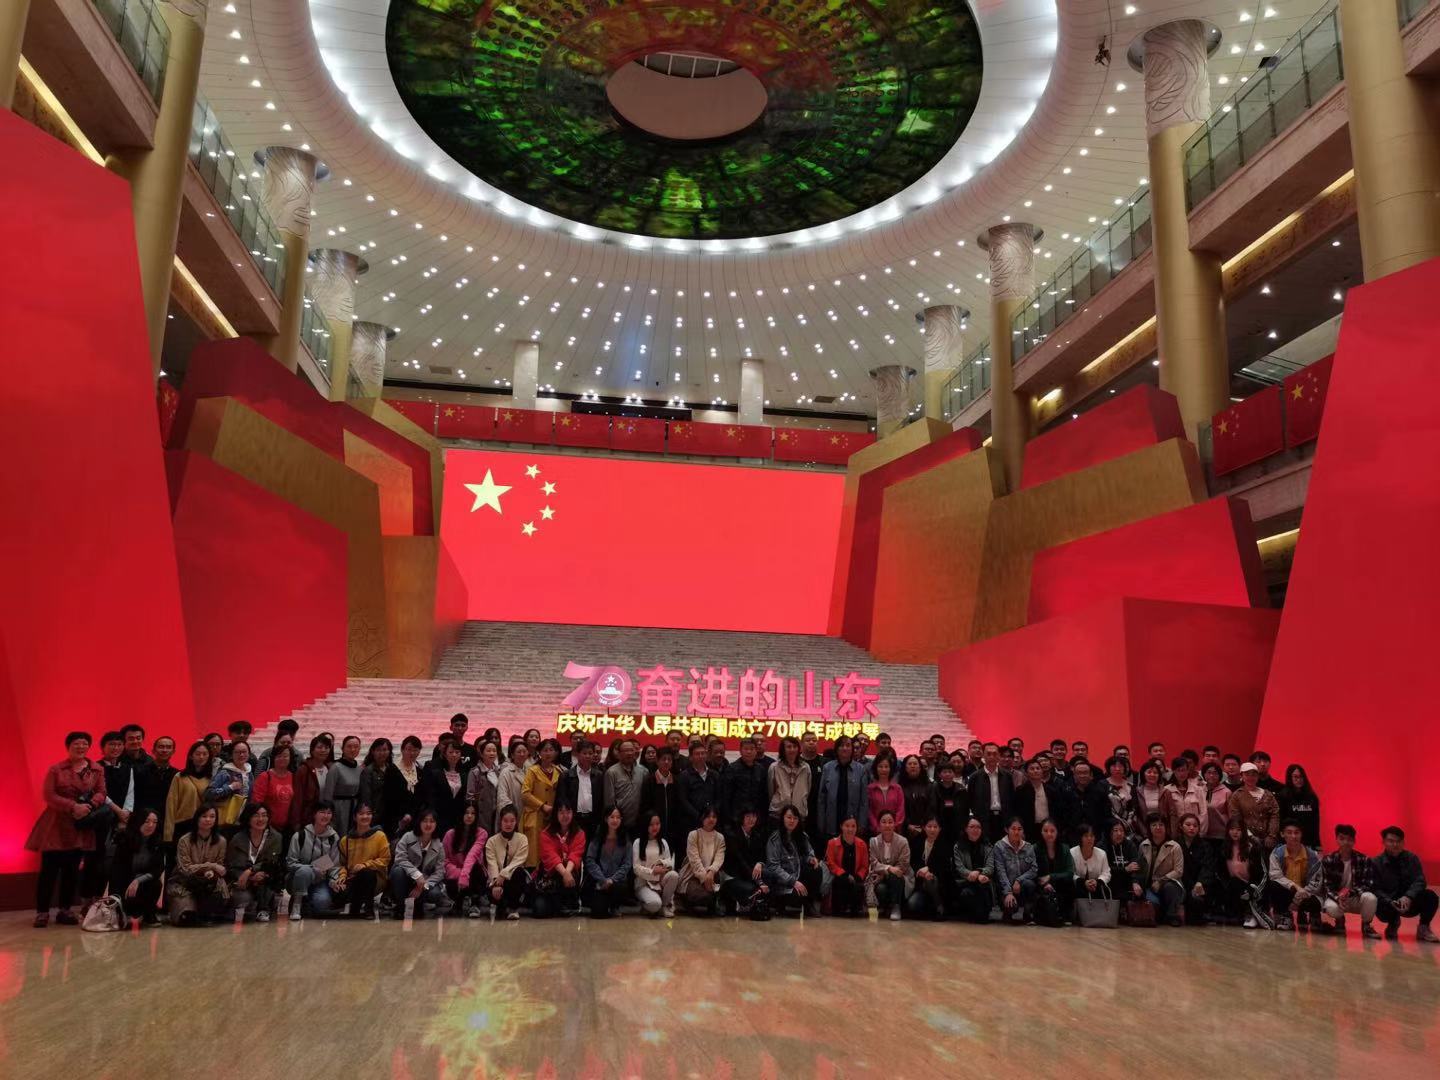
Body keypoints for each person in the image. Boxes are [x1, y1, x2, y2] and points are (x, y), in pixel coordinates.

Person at [27, 731, 107, 928]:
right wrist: (73, 807)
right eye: (76, 744)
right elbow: (49, 795)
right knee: (49, 871)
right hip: (56, 825)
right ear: (68, 747)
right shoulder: (56, 769)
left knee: (72, 871)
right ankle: (42, 912)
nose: (80, 747)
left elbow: (101, 792)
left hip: (81, 826)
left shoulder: (96, 769)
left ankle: (65, 910)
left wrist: (90, 805)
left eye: (84, 743)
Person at [1372, 825, 1440, 942]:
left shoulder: (1412, 858)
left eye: (1398, 841)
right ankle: (1393, 923)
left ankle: (1423, 927)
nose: (1395, 844)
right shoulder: (1376, 862)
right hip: (1389, 903)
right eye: (1391, 841)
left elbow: (1420, 880)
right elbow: (1375, 888)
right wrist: (1390, 901)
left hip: (1409, 902)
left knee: (1431, 896)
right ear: (1383, 842)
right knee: (1375, 899)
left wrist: (1408, 897)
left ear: (1403, 842)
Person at [166, 806, 229, 925]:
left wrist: (212, 871)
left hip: (209, 884)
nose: (208, 820)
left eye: (212, 816)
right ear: (197, 818)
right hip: (184, 883)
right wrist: (211, 866)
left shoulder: (222, 841)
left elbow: (221, 868)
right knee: (185, 918)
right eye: (204, 816)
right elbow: (185, 868)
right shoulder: (184, 840)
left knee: (212, 917)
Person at [1319, 823, 1379, 938]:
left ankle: (1366, 926)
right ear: (1336, 839)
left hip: (1355, 897)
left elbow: (1368, 884)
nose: (1346, 842)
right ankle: (1339, 922)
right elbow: (1327, 886)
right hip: (1337, 898)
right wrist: (1338, 898)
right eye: (1342, 839)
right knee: (1331, 907)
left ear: (1354, 841)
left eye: (1349, 839)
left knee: (1371, 898)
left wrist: (1350, 893)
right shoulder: (1328, 860)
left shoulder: (1363, 859)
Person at [389, 808, 450, 919]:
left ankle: (419, 904)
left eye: (432, 821)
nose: (428, 824)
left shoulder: (439, 845)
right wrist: (417, 875)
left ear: (436, 824)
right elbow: (400, 859)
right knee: (397, 871)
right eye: (425, 821)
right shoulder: (408, 837)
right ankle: (400, 906)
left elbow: (440, 872)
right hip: (405, 878)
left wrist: (423, 885)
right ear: (419, 822)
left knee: (435, 893)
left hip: (425, 882)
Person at [284, 801, 342, 920]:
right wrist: (312, 868)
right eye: (322, 812)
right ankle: (297, 903)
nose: (325, 816)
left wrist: (333, 880)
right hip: (298, 879)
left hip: (320, 881)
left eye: (329, 813)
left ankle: (307, 901)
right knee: (305, 871)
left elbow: (335, 863)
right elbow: (290, 863)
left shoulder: (333, 837)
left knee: (322, 903)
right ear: (314, 814)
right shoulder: (300, 835)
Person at [227, 803, 283, 922]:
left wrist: (251, 870)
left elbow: (271, 862)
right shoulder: (238, 838)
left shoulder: (276, 837)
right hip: (242, 880)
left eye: (264, 815)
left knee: (269, 874)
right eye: (256, 815)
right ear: (248, 818)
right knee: (243, 899)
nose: (261, 819)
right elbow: (232, 866)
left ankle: (264, 908)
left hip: (264, 878)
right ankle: (248, 904)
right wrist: (250, 877)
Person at [1264, 819, 1323, 931]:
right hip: (1288, 890)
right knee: (1273, 885)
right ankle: (1285, 916)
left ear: (1301, 834)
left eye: (1297, 832)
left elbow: (1316, 882)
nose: (1293, 836)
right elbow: (1275, 876)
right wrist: (1295, 887)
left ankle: (1309, 914)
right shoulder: (1276, 854)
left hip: (1306, 893)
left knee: (1314, 900)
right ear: (1282, 834)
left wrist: (1300, 897)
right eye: (1289, 832)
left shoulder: (1313, 856)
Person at [110, 808, 164, 927]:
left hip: (142, 881)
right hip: (124, 882)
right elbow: (117, 871)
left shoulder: (157, 842)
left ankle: (149, 914)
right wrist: (131, 880)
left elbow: (158, 869)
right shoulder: (124, 839)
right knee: (120, 884)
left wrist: (138, 880)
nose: (151, 825)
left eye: (155, 822)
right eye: (147, 821)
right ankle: (122, 912)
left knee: (156, 883)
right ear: (138, 821)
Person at [765, 804, 822, 916]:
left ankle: (809, 904)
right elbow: (773, 867)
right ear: (783, 818)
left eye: (795, 818)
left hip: (798, 875)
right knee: (798, 897)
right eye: (789, 817)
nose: (792, 821)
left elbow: (808, 854)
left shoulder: (802, 835)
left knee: (817, 869)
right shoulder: (775, 839)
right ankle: (781, 903)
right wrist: (793, 882)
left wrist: (811, 859)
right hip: (783, 883)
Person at [533, 803, 585, 918]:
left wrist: (567, 872)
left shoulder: (579, 833)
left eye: (568, 812)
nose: (565, 815)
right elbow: (551, 857)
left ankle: (566, 903)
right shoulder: (546, 833)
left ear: (573, 814)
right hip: (550, 878)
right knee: (540, 910)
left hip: (569, 876)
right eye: (561, 812)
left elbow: (575, 855)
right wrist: (564, 873)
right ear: (555, 814)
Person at [817, 736, 868, 844]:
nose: (845, 748)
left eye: (848, 745)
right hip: (832, 819)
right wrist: (821, 822)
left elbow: (864, 801)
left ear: (852, 749)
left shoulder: (860, 769)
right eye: (841, 745)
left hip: (852, 820)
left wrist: (862, 824)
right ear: (836, 749)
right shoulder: (827, 768)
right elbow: (822, 799)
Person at [583, 806, 631, 918]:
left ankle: (614, 906)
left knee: (620, 888)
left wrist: (612, 880)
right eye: (612, 817)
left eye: (618, 817)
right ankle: (604, 904)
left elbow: (627, 863)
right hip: (600, 881)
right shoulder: (598, 837)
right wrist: (602, 879)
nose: (615, 820)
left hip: (617, 882)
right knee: (598, 913)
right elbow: (590, 860)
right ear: (606, 819)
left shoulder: (625, 838)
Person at [1137, 812, 1185, 926]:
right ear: (1149, 828)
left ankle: (1172, 916)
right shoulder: (1143, 845)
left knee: (1170, 888)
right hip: (1150, 886)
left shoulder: (1175, 846)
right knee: (1153, 907)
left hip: (1169, 884)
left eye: (1161, 825)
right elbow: (1139, 868)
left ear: (1166, 827)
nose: (1158, 828)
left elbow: (1178, 871)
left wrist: (1161, 881)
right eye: (1154, 825)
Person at [721, 805, 770, 915]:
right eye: (748, 816)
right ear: (742, 818)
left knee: (769, 876)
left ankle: (755, 904)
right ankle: (737, 903)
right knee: (754, 888)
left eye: (754, 816)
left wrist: (759, 863)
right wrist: (759, 882)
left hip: (748, 874)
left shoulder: (756, 835)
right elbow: (741, 861)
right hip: (734, 876)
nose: (751, 819)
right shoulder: (732, 835)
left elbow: (761, 855)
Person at [484, 806, 530, 920]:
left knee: (519, 872)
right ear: (500, 821)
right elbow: (492, 864)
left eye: (512, 821)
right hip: (496, 882)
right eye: (505, 821)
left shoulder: (522, 839)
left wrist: (503, 874)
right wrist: (496, 883)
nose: (508, 824)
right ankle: (500, 904)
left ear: (516, 822)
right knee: (499, 907)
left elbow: (518, 860)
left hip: (513, 880)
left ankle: (513, 908)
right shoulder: (491, 841)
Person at [678, 806, 726, 915]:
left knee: (722, 883)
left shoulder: (720, 837)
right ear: (702, 818)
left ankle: (712, 903)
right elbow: (694, 861)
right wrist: (705, 878)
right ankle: (686, 901)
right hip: (693, 876)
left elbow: (719, 858)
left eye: (714, 816)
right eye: (708, 816)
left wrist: (711, 872)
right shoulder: (693, 835)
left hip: (712, 875)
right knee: (703, 896)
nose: (711, 819)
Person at [632, 811, 680, 917]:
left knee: (674, 875)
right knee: (655, 904)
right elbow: (636, 868)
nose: (655, 827)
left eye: (657, 824)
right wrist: (652, 871)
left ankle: (664, 906)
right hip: (643, 883)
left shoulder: (663, 842)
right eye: (651, 824)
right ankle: (648, 906)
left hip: (660, 881)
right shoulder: (638, 843)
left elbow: (669, 862)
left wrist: (661, 864)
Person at [164, 742, 212, 846]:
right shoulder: (180, 777)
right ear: (191, 756)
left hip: (204, 826)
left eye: (205, 754)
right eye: (198, 754)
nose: (201, 757)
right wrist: (168, 834)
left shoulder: (212, 778)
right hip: (182, 825)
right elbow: (171, 805)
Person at [991, 817, 1038, 924]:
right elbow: (1000, 872)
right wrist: (1008, 892)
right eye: (1013, 829)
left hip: (1022, 887)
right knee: (1010, 906)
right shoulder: (999, 846)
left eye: (1019, 829)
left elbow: (1034, 869)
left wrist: (1018, 880)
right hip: (1005, 888)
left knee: (1030, 884)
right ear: (1007, 830)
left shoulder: (1028, 847)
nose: (1016, 832)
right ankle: (1007, 913)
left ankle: (1027, 913)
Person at [948, 817, 994, 923]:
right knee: (966, 893)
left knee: (982, 915)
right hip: (965, 882)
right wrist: (975, 875)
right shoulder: (958, 847)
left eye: (978, 827)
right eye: (972, 827)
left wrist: (979, 872)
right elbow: (960, 869)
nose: (975, 830)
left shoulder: (988, 846)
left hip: (983, 882)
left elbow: (990, 867)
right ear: (966, 829)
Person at [822, 815, 869, 917]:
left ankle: (856, 907)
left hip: (855, 879)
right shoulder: (832, 843)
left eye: (853, 826)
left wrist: (858, 876)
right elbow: (830, 863)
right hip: (839, 879)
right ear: (841, 826)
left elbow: (864, 866)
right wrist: (844, 874)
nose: (850, 829)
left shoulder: (862, 844)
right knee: (841, 882)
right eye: (847, 826)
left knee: (858, 887)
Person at [423, 739, 470, 839]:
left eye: (457, 752)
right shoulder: (436, 774)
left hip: (458, 819)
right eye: (451, 752)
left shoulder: (464, 775)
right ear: (445, 754)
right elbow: (431, 798)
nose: (454, 755)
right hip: (440, 819)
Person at [1176, 812, 1217, 926]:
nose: (1191, 828)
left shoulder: (1205, 846)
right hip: (1181, 882)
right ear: (1181, 826)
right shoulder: (1175, 844)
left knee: (1197, 900)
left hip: (1199, 883)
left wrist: (1200, 882)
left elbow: (1208, 867)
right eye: (1188, 825)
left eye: (1195, 826)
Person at [967, 743, 1014, 842]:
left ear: (999, 756)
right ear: (983, 756)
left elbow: (1012, 798)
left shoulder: (1007, 776)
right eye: (988, 754)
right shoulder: (974, 777)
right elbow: (970, 800)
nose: (992, 757)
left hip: (1003, 819)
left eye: (994, 754)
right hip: (983, 819)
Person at [1033, 818, 1075, 926]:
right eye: (1045, 831)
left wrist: (1051, 877)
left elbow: (1070, 873)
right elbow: (1033, 872)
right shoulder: (1035, 848)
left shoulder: (1065, 848)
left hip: (1059, 883)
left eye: (1052, 831)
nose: (1049, 834)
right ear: (1041, 832)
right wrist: (1045, 883)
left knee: (1070, 883)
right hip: (1041, 884)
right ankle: (1036, 915)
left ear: (1057, 832)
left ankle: (1065, 915)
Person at [250, 744, 297, 840]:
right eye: (279, 756)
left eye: (285, 756)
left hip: (287, 827)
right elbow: (257, 802)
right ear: (273, 758)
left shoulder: (293, 777)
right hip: (267, 826)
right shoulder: (265, 776)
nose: (282, 759)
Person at [722, 738, 770, 832]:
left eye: (752, 749)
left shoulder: (760, 769)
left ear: (756, 751)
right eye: (746, 749)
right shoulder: (732, 769)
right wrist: (728, 820)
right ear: (740, 751)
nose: (749, 752)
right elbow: (726, 797)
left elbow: (764, 795)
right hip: (736, 817)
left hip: (756, 818)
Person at [1229, 762, 1281, 849]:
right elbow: (1236, 818)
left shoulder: (1267, 794)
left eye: (1254, 774)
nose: (1251, 777)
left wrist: (1272, 835)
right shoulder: (1236, 795)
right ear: (1242, 776)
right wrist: (1250, 836)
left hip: (1268, 840)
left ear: (1257, 776)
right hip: (1245, 840)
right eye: (1247, 774)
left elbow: (1275, 814)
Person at [560, 738, 603, 842]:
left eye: (590, 753)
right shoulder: (566, 775)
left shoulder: (599, 776)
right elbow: (562, 799)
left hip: (593, 821)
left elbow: (601, 800)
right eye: (584, 753)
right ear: (577, 754)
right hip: (573, 820)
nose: (588, 756)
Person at [384, 735, 425, 839]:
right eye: (409, 749)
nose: (412, 753)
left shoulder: (420, 771)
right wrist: (402, 815)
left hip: (415, 818)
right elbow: (389, 797)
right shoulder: (392, 769)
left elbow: (420, 796)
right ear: (402, 750)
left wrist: (412, 814)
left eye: (415, 750)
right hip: (395, 819)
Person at [907, 816, 948, 920]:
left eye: (935, 827)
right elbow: (912, 862)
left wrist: (929, 870)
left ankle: (939, 906)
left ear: (940, 829)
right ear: (924, 828)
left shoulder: (944, 844)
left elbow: (944, 867)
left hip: (938, 885)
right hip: (920, 884)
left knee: (930, 880)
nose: (932, 830)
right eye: (929, 826)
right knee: (912, 904)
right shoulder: (916, 841)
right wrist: (922, 871)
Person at [322, 735, 364, 837]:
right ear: (342, 748)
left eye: (356, 747)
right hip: (339, 809)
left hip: (354, 808)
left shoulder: (359, 769)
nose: (352, 749)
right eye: (349, 746)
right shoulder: (336, 768)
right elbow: (328, 794)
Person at [207, 739, 252, 831]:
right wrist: (230, 787)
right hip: (225, 820)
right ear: (231, 755)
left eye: (244, 752)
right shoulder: (225, 772)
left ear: (249, 754)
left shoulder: (249, 773)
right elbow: (209, 794)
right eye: (237, 752)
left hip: (243, 819)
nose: (241, 755)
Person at [768, 736, 811, 832]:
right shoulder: (774, 767)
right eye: (788, 747)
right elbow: (771, 791)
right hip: (778, 814)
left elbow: (808, 789)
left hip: (798, 814)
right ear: (783, 750)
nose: (792, 749)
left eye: (794, 747)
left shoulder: (806, 767)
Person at [1159, 757, 1206, 843]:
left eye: (1184, 770)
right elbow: (1164, 815)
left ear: (1188, 770)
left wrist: (1200, 832)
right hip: (1175, 834)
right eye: (1178, 770)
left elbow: (1203, 813)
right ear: (1173, 771)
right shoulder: (1167, 790)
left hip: (1195, 833)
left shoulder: (1198, 789)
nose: (1182, 773)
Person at [602, 739, 646, 830]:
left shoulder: (643, 771)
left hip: (639, 822)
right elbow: (609, 801)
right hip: (618, 823)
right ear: (619, 754)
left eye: (631, 750)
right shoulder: (611, 772)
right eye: (626, 751)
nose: (629, 753)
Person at [1013, 758, 1057, 845]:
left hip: (1048, 827)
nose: (1035, 771)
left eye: (1038, 768)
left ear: (1042, 771)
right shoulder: (1021, 791)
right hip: (1029, 828)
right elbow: (1017, 813)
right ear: (1026, 773)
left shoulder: (1051, 790)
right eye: (1032, 769)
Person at [1278, 765, 1322, 849]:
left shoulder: (1311, 797)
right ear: (1290, 778)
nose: (1299, 780)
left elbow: (1316, 823)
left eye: (1301, 777)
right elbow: (1281, 822)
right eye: (1295, 777)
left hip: (1308, 842)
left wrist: (1318, 845)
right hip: (1290, 842)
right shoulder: (1283, 796)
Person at [357, 738, 393, 837]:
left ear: (389, 751)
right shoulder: (368, 771)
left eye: (385, 750)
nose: (382, 753)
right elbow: (365, 796)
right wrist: (369, 815)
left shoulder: (391, 768)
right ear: (373, 751)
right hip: (374, 815)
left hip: (389, 813)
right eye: (378, 750)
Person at [1070, 824, 1111, 912]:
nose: (1089, 839)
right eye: (1086, 836)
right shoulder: (1072, 853)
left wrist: (1097, 882)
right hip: (1078, 887)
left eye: (1092, 836)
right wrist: (1083, 883)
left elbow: (1106, 873)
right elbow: (1070, 873)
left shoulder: (1102, 853)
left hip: (1097, 887)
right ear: (1080, 838)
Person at [467, 739, 504, 834]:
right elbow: (470, 796)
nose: (492, 753)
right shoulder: (475, 772)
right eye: (488, 751)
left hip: (496, 811)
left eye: (494, 751)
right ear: (481, 754)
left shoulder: (499, 771)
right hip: (481, 813)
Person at [1105, 819, 1143, 910]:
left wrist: (1135, 882)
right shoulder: (1103, 845)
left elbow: (1135, 866)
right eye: (1115, 830)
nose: (1119, 833)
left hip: (1127, 881)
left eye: (1121, 830)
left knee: (1138, 887)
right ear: (1109, 832)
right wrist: (1125, 869)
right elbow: (1105, 869)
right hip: (1110, 881)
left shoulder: (1130, 845)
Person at [1068, 760, 1109, 844]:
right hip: (1072, 836)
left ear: (1091, 775)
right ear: (1074, 776)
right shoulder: (1067, 793)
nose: (1082, 775)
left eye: (1085, 773)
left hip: (1096, 836)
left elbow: (1106, 815)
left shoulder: (1100, 792)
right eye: (1079, 773)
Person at [898, 756, 935, 847]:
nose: (912, 766)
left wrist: (923, 826)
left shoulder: (929, 786)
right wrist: (907, 825)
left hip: (925, 829)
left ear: (920, 767)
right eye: (910, 764)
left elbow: (931, 807)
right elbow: (898, 809)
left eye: (915, 764)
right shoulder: (899, 786)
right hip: (904, 830)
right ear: (905, 767)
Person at [866, 757, 904, 838]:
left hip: (895, 832)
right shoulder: (870, 789)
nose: (883, 769)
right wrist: (877, 827)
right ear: (876, 769)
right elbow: (869, 811)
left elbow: (900, 809)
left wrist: (893, 826)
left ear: (890, 769)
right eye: (880, 766)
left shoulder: (897, 788)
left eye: (886, 767)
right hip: (875, 833)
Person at [1131, 759, 1166, 839]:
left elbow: (1171, 814)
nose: (1152, 775)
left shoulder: (1165, 791)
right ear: (1143, 774)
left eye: (1155, 772)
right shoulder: (1136, 791)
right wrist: (1145, 833)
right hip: (1143, 832)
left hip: (1163, 831)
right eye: (1149, 772)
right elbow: (1137, 815)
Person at [1200, 762, 1231, 843]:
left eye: (1215, 773)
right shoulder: (1199, 790)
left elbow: (1231, 815)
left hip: (1220, 835)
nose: (1211, 775)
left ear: (1220, 775)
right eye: (1209, 772)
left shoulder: (1226, 792)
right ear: (1204, 774)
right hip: (1201, 833)